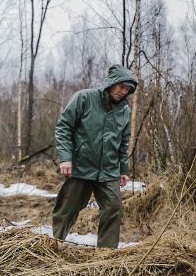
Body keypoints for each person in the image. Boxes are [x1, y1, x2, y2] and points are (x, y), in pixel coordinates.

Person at [53, 64, 137, 248]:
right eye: (121, 86)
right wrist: (65, 157)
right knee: (67, 209)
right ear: (111, 83)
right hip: (81, 166)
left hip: (108, 170)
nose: (124, 92)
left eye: (128, 89)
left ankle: (107, 255)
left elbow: (123, 141)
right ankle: (55, 245)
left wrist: (123, 169)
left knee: (113, 209)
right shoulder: (84, 98)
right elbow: (64, 127)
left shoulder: (125, 110)